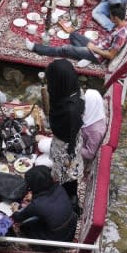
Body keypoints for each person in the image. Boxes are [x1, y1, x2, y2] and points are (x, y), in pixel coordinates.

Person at [25, 3, 127, 66]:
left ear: (115, 18)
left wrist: (93, 49)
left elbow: (111, 55)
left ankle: (35, 47)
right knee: (73, 34)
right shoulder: (122, 24)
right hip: (97, 45)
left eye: (110, 16)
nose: (109, 17)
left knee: (65, 49)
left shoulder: (121, 35)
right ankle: (84, 57)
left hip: (98, 55)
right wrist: (93, 45)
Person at [44, 59, 84, 202]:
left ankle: (69, 199)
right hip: (73, 138)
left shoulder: (68, 110)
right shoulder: (76, 92)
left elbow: (67, 137)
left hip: (67, 146)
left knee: (66, 174)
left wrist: (69, 158)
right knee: (68, 173)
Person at [11, 166, 77, 246]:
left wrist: (15, 209)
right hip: (71, 229)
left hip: (58, 241)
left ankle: (35, 245)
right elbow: (48, 200)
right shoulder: (59, 188)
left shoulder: (37, 204)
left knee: (25, 227)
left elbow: (17, 218)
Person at [81, 89, 107, 161]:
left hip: (78, 153)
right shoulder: (95, 114)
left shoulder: (95, 131)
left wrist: (75, 147)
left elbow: (90, 154)